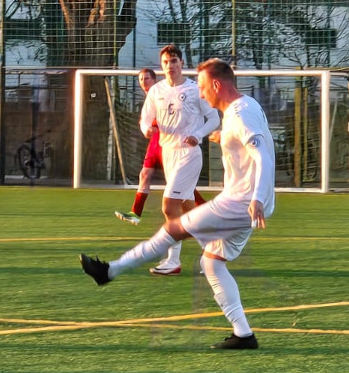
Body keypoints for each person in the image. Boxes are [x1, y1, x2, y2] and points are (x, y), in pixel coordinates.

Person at [80, 59, 275, 350]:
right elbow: (253, 146)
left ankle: (109, 271)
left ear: (218, 85)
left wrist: (257, 198)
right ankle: (243, 335)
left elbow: (263, 157)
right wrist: (224, 137)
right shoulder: (246, 107)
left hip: (240, 202)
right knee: (212, 263)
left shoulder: (240, 113)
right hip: (247, 201)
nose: (202, 93)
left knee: (173, 227)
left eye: (204, 87)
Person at [137, 45, 220, 275]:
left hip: (189, 155)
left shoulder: (195, 90)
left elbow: (213, 119)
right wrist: (146, 129)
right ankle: (212, 249)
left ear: (182, 64)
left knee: (168, 206)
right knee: (187, 207)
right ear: (161, 65)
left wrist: (198, 134)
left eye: (174, 61)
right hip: (168, 154)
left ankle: (173, 260)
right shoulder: (156, 91)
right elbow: (146, 118)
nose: (170, 66)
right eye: (166, 62)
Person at [114, 68, 162, 225]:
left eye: (146, 78)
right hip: (155, 143)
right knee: (144, 175)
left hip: (168, 143)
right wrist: (147, 127)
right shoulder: (148, 99)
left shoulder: (162, 95)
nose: (143, 82)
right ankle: (135, 213)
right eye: (141, 79)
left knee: (182, 185)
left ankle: (208, 213)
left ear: (154, 80)